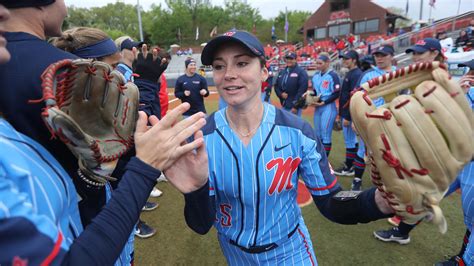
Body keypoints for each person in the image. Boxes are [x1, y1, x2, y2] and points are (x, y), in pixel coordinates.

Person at [0, 2, 208, 264]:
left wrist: (92, 177)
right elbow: (130, 151)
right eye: (111, 67)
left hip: (77, 217)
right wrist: (145, 165)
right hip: (92, 228)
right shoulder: (65, 70)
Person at [163, 29, 393, 265]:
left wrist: (376, 201)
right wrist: (195, 192)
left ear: (264, 71)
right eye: (219, 66)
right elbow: (201, 224)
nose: (229, 74)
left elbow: (331, 200)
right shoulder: (202, 138)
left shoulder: (298, 132)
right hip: (234, 254)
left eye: (242, 63)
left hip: (290, 251)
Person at [374, 38, 447, 243]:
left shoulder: (438, 78)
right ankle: (420, 212)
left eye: (420, 53)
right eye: (414, 53)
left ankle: (404, 230)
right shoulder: (421, 76)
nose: (415, 57)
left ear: (434, 54)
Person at [351, 44, 396, 192]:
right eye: (377, 55)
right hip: (369, 119)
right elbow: (356, 98)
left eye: (383, 55)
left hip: (391, 120)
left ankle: (386, 183)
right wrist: (354, 120)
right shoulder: (368, 74)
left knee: (389, 152)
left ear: (392, 56)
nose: (380, 58)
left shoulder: (399, 73)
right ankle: (357, 180)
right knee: (363, 150)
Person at [333, 50, 362, 188]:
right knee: (351, 141)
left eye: (347, 58)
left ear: (354, 60)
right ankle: (351, 165)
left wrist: (348, 116)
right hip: (346, 111)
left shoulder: (356, 74)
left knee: (350, 141)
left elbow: (354, 97)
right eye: (343, 58)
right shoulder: (351, 73)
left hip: (350, 113)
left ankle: (349, 167)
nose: (344, 61)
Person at [310, 52, 341, 156]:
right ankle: (319, 155)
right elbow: (315, 91)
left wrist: (324, 102)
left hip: (328, 106)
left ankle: (324, 158)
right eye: (317, 63)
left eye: (320, 63)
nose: (318, 65)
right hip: (318, 106)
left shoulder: (333, 75)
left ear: (327, 63)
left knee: (325, 134)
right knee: (317, 133)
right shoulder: (315, 76)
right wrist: (309, 95)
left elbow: (337, 93)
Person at [274, 51, 308, 116]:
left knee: (294, 125)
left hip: (294, 107)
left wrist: (296, 106)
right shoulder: (282, 72)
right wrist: (280, 94)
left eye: (291, 59)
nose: (289, 60)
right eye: (287, 58)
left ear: (295, 60)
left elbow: (302, 90)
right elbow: (276, 86)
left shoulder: (301, 72)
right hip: (284, 104)